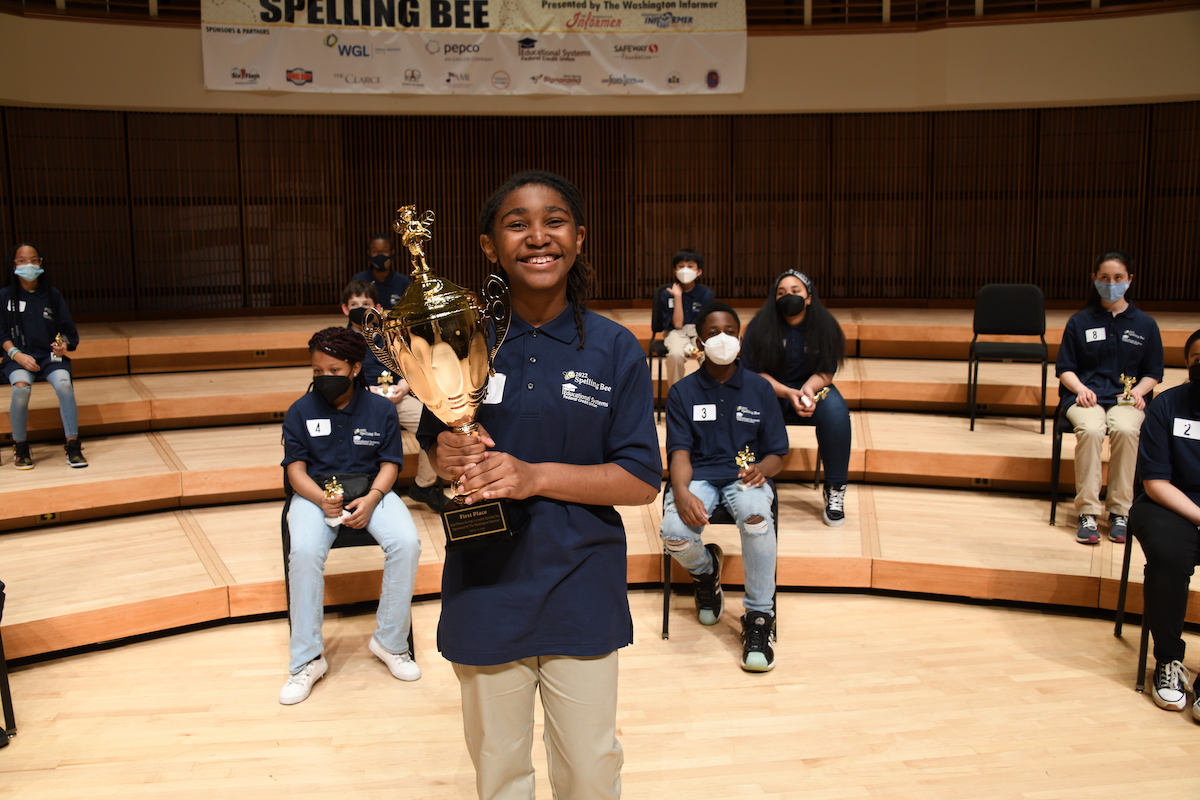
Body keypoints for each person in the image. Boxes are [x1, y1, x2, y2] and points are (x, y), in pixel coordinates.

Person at [419, 170, 660, 800]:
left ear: (579, 238)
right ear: (488, 245)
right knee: (499, 768)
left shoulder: (613, 347)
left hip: (581, 582)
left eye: (554, 221)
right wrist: (443, 456)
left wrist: (535, 477)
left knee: (588, 767)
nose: (537, 236)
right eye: (516, 223)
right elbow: (432, 455)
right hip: (484, 584)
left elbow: (639, 481)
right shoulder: (455, 339)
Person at [279, 326, 422, 705]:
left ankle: (390, 643)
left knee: (407, 543)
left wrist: (373, 498)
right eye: (317, 372)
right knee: (305, 552)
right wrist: (320, 500)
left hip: (372, 489)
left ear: (356, 368)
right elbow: (295, 471)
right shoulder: (299, 411)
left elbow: (391, 464)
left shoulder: (380, 409)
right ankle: (306, 660)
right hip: (314, 494)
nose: (325, 378)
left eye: (334, 371)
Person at [660, 301, 788, 672]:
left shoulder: (760, 389)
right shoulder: (683, 392)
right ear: (699, 341)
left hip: (745, 474)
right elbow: (680, 451)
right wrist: (681, 491)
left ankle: (760, 618)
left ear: (740, 337)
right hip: (697, 476)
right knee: (674, 533)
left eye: (730, 331)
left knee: (756, 517)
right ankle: (705, 572)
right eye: (713, 332)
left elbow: (778, 452)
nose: (723, 338)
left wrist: (764, 467)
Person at [1056, 250, 1163, 545]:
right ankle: (1088, 512)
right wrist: (1080, 389)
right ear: (1094, 279)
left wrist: (1139, 392)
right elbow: (1065, 368)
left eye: (1118, 278)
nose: (1111, 283)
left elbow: (1153, 371)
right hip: (1085, 398)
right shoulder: (1080, 321)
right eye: (1104, 278)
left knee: (1127, 429)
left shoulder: (1145, 324)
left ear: (1129, 280)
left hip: (1127, 400)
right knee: (1091, 430)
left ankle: (1120, 511)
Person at [741, 270, 849, 526]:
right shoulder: (759, 326)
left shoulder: (825, 325)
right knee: (747, 407)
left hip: (812, 388)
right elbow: (753, 373)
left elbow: (826, 371)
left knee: (836, 411)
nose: (788, 296)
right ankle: (751, 481)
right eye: (781, 293)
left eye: (795, 291)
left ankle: (835, 488)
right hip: (771, 389)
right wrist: (788, 392)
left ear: (808, 297)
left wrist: (808, 390)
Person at [1131, 329, 1200, 717]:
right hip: (1170, 505)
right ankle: (1169, 660)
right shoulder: (1167, 406)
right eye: (1197, 357)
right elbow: (1155, 482)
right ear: (1188, 362)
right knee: (1169, 558)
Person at [341, 280, 448, 513]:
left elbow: (409, 367)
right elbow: (340, 380)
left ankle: (424, 486)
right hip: (362, 403)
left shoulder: (389, 335)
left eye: (366, 303)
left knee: (434, 424)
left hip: (397, 399)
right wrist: (367, 391)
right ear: (345, 309)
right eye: (355, 304)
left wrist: (404, 386)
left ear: (377, 307)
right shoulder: (341, 340)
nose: (360, 308)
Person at [1, 243, 86, 469]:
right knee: (21, 388)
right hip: (18, 357)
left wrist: (63, 346)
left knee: (64, 385)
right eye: (22, 260)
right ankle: (20, 446)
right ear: (13, 265)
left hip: (49, 358)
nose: (28, 264)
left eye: (34, 260)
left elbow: (68, 333)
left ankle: (73, 444)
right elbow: (1, 334)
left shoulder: (52, 294)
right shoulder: (4, 296)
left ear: (41, 263)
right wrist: (17, 355)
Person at [660, 248, 714, 392]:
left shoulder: (706, 294)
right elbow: (677, 325)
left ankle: (709, 394)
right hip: (675, 332)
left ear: (699, 271)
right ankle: (675, 396)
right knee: (675, 355)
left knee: (710, 357)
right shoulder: (667, 293)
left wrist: (697, 347)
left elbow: (706, 324)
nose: (685, 270)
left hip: (699, 331)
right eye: (681, 266)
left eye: (690, 266)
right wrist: (677, 297)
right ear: (675, 270)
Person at [352, 233, 412, 309]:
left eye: (385, 251)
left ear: (392, 252)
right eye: (374, 251)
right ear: (369, 253)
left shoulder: (403, 281)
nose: (380, 255)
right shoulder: (359, 280)